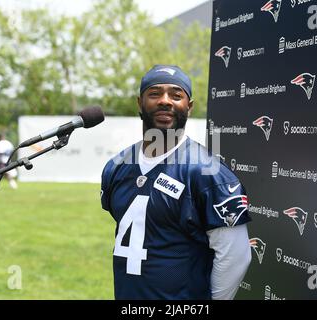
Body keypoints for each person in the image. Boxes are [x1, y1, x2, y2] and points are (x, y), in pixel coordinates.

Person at [100, 65, 251, 300]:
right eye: (155, 93)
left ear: (189, 107)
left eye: (176, 95)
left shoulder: (208, 173)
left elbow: (235, 255)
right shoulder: (117, 166)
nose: (165, 101)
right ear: (140, 102)